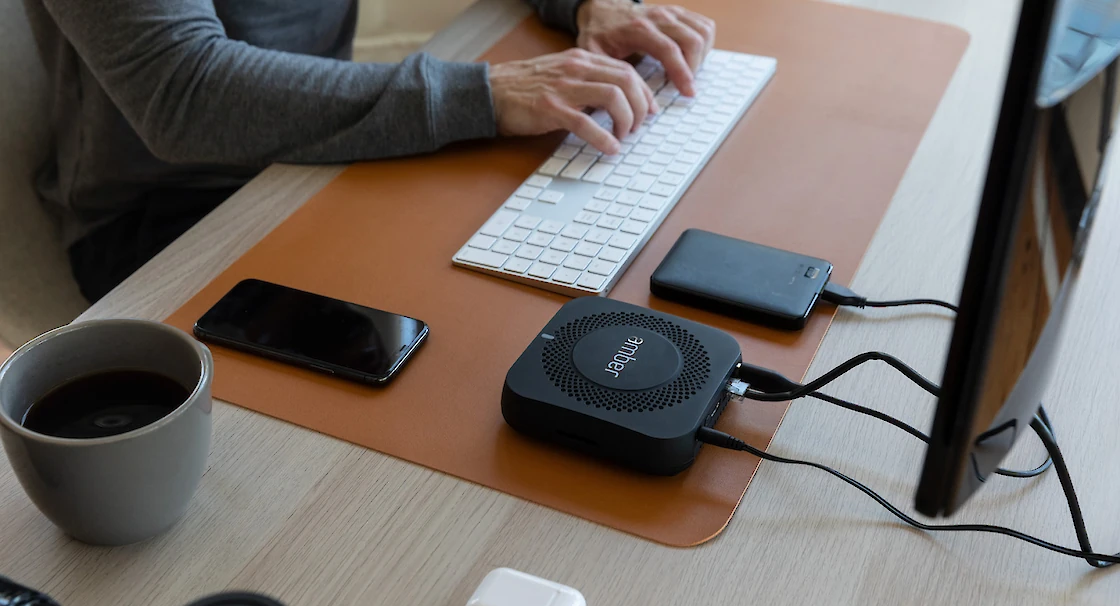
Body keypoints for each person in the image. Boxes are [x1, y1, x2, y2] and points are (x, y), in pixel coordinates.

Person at [25, 0, 716, 302]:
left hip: (334, 152)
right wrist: (486, 93)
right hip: (173, 214)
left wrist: (589, 2)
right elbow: (181, 93)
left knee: (569, 277)